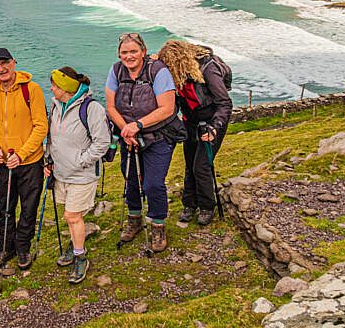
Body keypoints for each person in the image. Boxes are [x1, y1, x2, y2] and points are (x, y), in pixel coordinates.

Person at [105, 33, 184, 253]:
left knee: (153, 183)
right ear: (119, 54)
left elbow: (167, 109)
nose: (128, 56)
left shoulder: (158, 71)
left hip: (158, 136)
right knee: (130, 178)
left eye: (133, 52)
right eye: (124, 52)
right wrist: (125, 129)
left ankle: (158, 224)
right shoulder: (116, 71)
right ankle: (134, 218)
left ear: (143, 52)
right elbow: (111, 107)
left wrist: (137, 125)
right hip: (128, 135)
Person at [0, 47, 49, 270]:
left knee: (28, 208)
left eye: (5, 63)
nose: (1, 68)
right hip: (4, 163)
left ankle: (22, 248)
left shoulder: (32, 90)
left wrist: (21, 154)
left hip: (30, 163)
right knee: (5, 209)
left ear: (13, 63)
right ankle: (4, 248)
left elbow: (41, 127)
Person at [45, 67, 111, 284]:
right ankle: (75, 244)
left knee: (72, 216)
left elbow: (102, 142)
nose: (51, 87)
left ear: (65, 88)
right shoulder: (55, 107)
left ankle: (80, 256)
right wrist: (48, 160)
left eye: (54, 84)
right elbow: (51, 138)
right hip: (60, 173)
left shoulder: (91, 109)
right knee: (71, 216)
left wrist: (81, 161)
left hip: (82, 174)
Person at [157, 40, 233, 227]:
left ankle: (207, 206)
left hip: (211, 123)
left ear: (179, 63)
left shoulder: (209, 70)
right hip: (190, 122)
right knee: (190, 165)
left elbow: (225, 103)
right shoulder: (179, 75)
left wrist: (215, 127)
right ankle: (189, 204)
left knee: (202, 165)